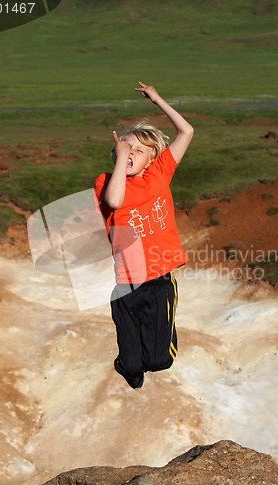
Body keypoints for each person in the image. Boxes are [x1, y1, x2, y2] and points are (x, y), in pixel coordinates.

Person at [94, 82, 194, 389]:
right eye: (125, 148)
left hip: (159, 283)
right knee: (134, 369)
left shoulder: (159, 173)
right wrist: (120, 163)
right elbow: (114, 201)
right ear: (115, 153)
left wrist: (157, 99)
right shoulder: (106, 182)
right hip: (125, 286)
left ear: (151, 158)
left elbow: (187, 132)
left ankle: (163, 339)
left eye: (138, 150)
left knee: (159, 361)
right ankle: (126, 364)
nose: (130, 153)